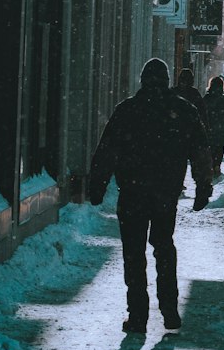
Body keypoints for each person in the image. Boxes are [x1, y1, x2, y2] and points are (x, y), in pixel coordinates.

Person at [88, 57, 213, 335]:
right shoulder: (183, 110)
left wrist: (97, 184)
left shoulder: (128, 110)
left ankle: (138, 315)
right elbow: (200, 150)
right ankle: (169, 309)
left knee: (134, 253)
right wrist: (202, 185)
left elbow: (107, 149)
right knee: (164, 246)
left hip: (133, 192)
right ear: (167, 81)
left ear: (143, 80)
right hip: (165, 193)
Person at [204, 74, 224, 177]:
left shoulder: (206, 98)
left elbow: (202, 114)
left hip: (209, 129)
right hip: (220, 129)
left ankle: (212, 165)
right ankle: (217, 165)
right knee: (219, 148)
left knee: (210, 148)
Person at [175, 64, 208, 130]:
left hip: (175, 128)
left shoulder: (174, 92)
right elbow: (202, 112)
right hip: (190, 128)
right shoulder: (194, 93)